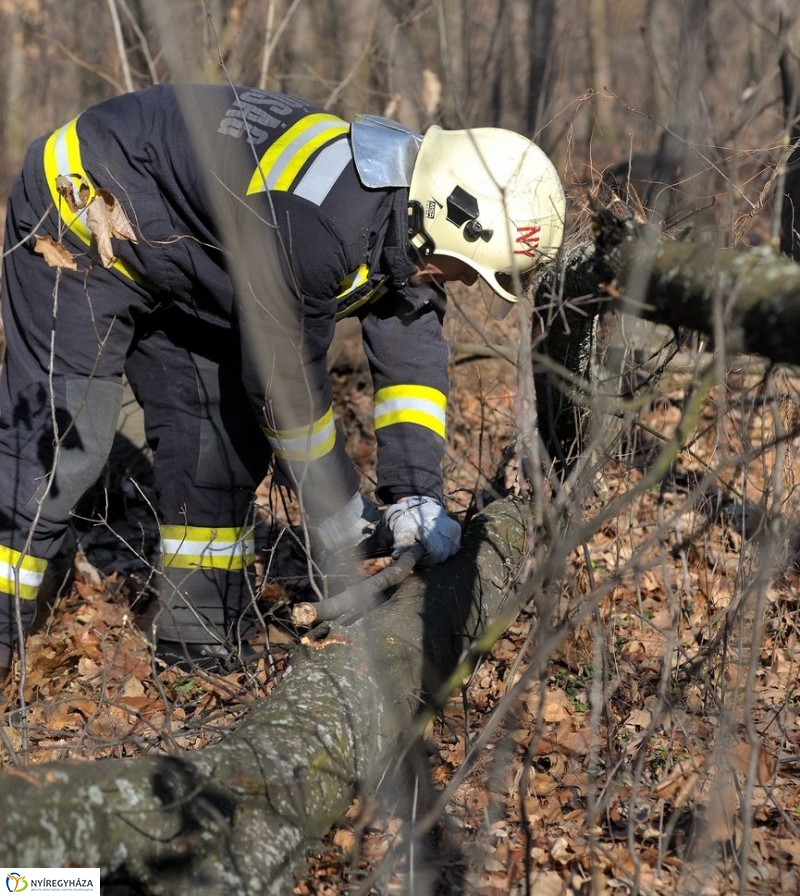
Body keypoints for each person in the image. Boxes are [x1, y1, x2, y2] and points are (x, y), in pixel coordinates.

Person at [0, 84, 565, 678]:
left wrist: (414, 494)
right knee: (66, 446)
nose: (469, 284)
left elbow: (411, 368)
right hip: (79, 213)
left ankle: (197, 649)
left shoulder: (407, 223)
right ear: (441, 221)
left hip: (182, 257)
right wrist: (338, 508)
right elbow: (285, 387)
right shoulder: (323, 227)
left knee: (219, 442)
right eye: (468, 269)